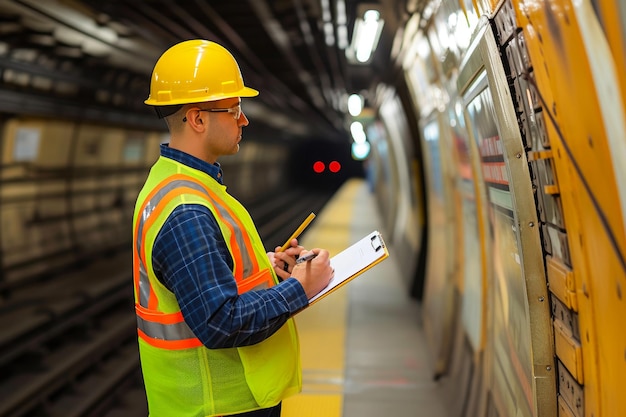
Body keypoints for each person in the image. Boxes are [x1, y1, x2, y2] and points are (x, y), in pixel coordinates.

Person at [132, 39, 334, 417]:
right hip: (216, 405)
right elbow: (220, 322)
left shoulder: (183, 183)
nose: (244, 120)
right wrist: (299, 289)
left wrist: (270, 269)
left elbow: (212, 280)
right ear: (197, 119)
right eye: (235, 109)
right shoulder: (185, 209)